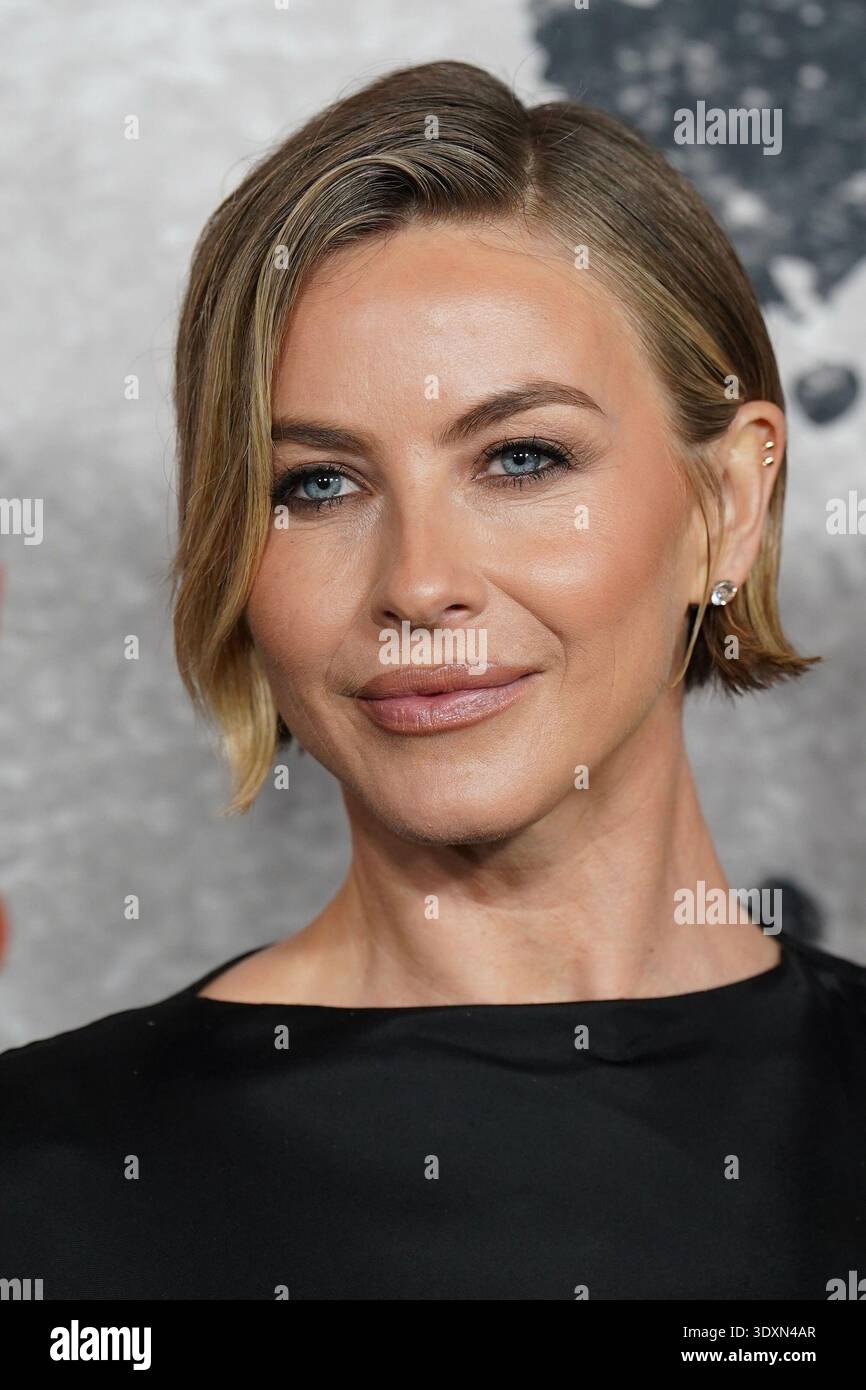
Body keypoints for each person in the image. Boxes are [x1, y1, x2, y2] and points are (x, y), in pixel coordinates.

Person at [2, 60, 864, 1301]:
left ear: (723, 507)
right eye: (316, 483)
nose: (417, 581)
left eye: (520, 457)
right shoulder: (44, 1184)